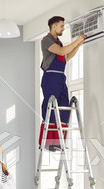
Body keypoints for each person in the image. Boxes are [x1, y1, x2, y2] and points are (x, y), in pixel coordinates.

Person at [39, 16, 86, 149]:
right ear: (54, 26)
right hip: (51, 77)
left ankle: (59, 142)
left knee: (64, 108)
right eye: (61, 26)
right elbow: (61, 51)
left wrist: (79, 44)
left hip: (60, 78)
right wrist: (76, 40)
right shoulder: (47, 40)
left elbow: (67, 57)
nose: (63, 29)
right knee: (51, 109)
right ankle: (48, 143)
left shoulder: (58, 42)